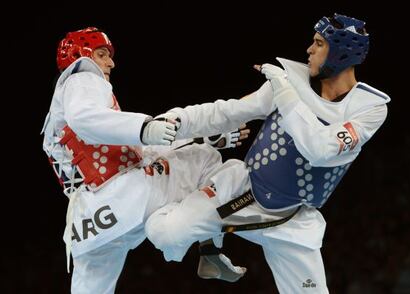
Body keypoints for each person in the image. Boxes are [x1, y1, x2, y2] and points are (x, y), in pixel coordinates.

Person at [145, 13, 391, 293]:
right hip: (243, 193)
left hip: (291, 220)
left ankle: (209, 239)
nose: (309, 50)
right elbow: (226, 112)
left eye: (319, 43)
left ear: (341, 52)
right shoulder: (290, 82)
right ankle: (209, 241)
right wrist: (176, 120)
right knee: (166, 234)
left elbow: (319, 150)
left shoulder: (369, 108)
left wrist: (286, 94)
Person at [41, 27, 248, 293]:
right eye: (102, 54)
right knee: (206, 160)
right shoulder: (81, 77)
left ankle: (199, 240)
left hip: (92, 220)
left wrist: (202, 137)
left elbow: (140, 151)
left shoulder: (79, 113)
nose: (110, 62)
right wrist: (146, 127)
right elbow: (85, 119)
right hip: (127, 196)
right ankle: (209, 246)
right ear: (81, 56)